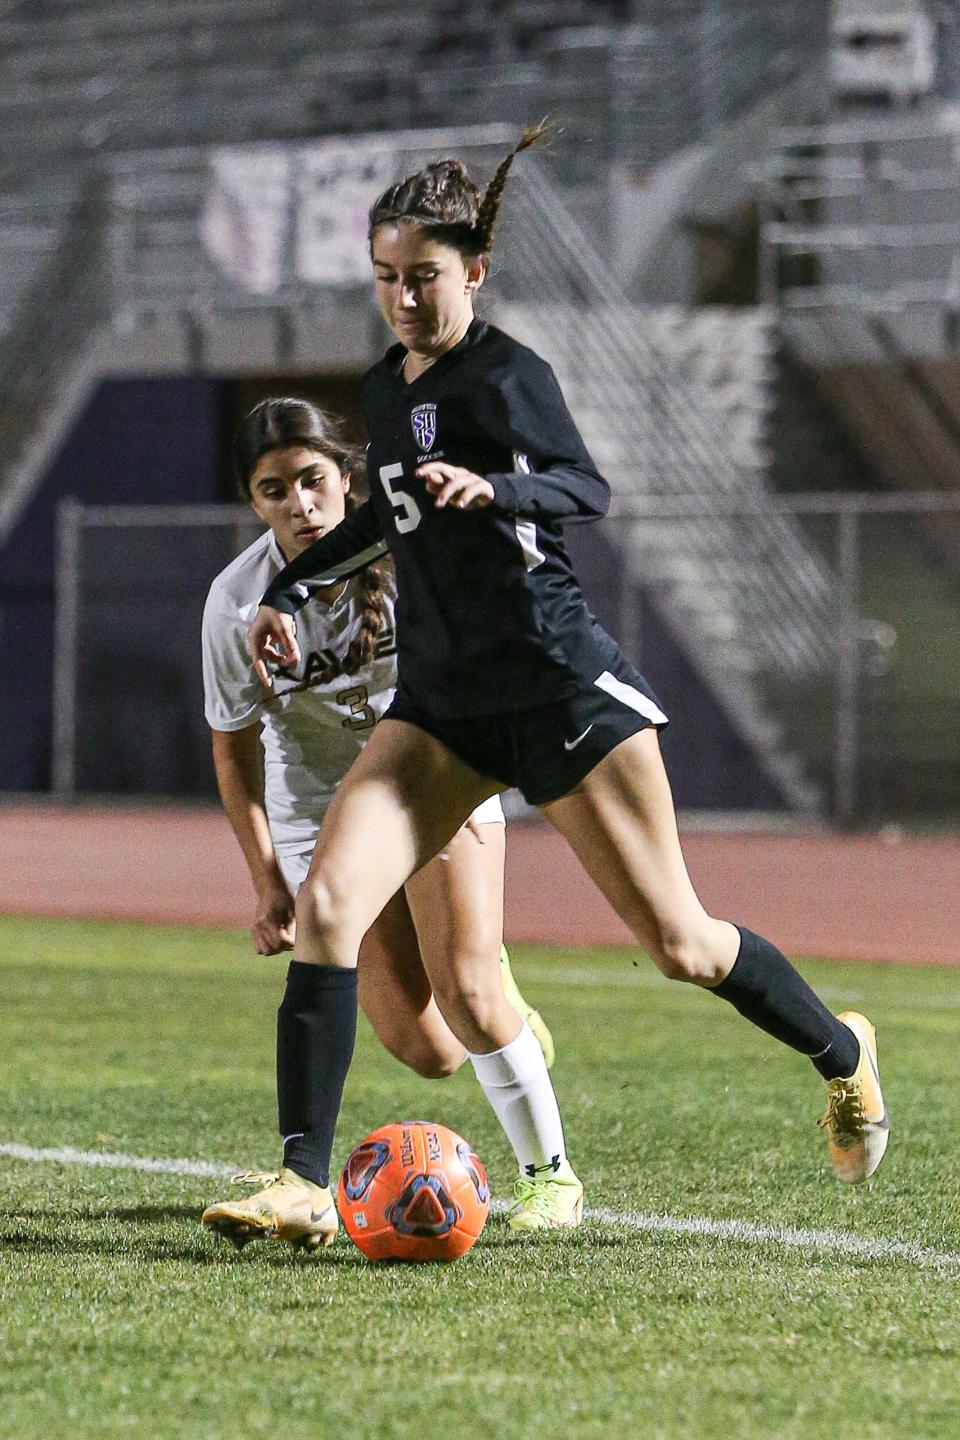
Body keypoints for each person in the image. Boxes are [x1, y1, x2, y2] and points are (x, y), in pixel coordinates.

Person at [247, 125, 889, 1226]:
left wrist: (495, 491)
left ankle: (843, 1050)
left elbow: (586, 490)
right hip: (443, 710)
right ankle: (301, 1182)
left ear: (475, 272)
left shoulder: (508, 375)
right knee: (330, 910)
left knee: (681, 945)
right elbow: (380, 526)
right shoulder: (385, 391)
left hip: (558, 689)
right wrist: (294, 590)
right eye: (386, 279)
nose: (403, 299)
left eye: (425, 278)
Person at [199, 397, 564, 1253]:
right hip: (320, 809)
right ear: (253, 502)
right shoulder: (235, 603)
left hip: (430, 772)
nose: (299, 503)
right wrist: (266, 880)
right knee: (429, 1049)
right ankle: (499, 995)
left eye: (313, 480)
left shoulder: (410, 563)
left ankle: (551, 1176)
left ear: (346, 478)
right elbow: (232, 746)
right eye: (273, 489)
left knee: (468, 993)